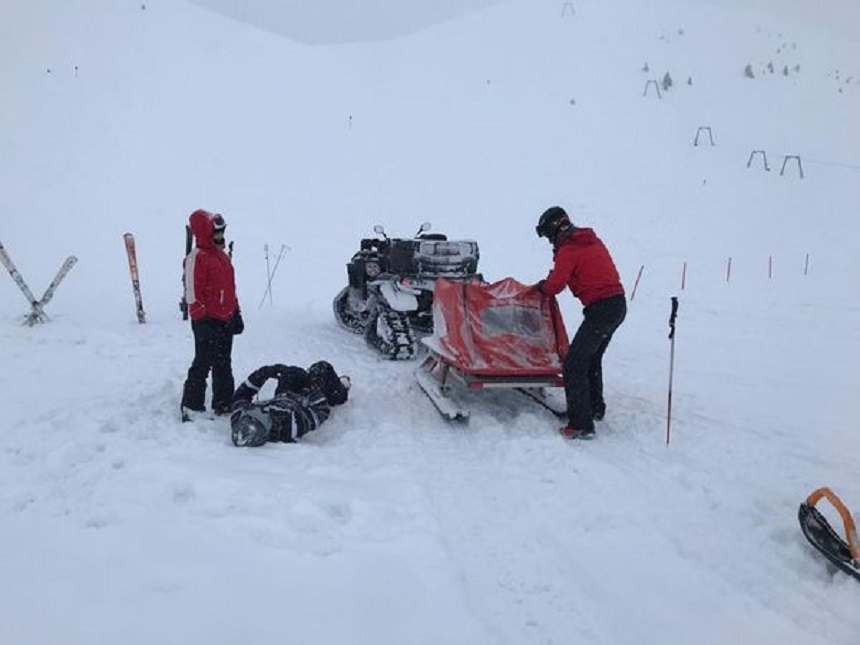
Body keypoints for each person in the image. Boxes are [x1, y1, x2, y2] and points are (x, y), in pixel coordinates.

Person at [534, 206, 626, 440]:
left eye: (547, 235)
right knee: (591, 358)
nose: (549, 241)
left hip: (601, 309)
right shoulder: (590, 240)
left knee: (574, 364)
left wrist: (541, 287)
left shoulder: (569, 249)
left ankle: (581, 424)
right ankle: (595, 407)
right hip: (617, 305)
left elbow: (555, 286)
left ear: (555, 229)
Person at [180, 209, 244, 421]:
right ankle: (191, 405)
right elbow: (192, 292)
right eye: (216, 233)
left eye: (222, 232)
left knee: (223, 362)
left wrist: (236, 312)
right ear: (205, 233)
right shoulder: (196, 258)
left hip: (225, 318)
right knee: (203, 361)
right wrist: (200, 318)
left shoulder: (222, 257)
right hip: (206, 321)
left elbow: (230, 287)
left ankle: (224, 402)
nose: (221, 237)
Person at [229, 362, 351, 447]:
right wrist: (311, 388)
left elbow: (242, 394)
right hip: (305, 399)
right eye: (258, 414)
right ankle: (339, 391)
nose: (257, 409)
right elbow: (321, 410)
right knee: (322, 368)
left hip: (284, 395)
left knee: (290, 372)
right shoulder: (289, 425)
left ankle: (299, 376)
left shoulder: (240, 417)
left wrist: (263, 373)